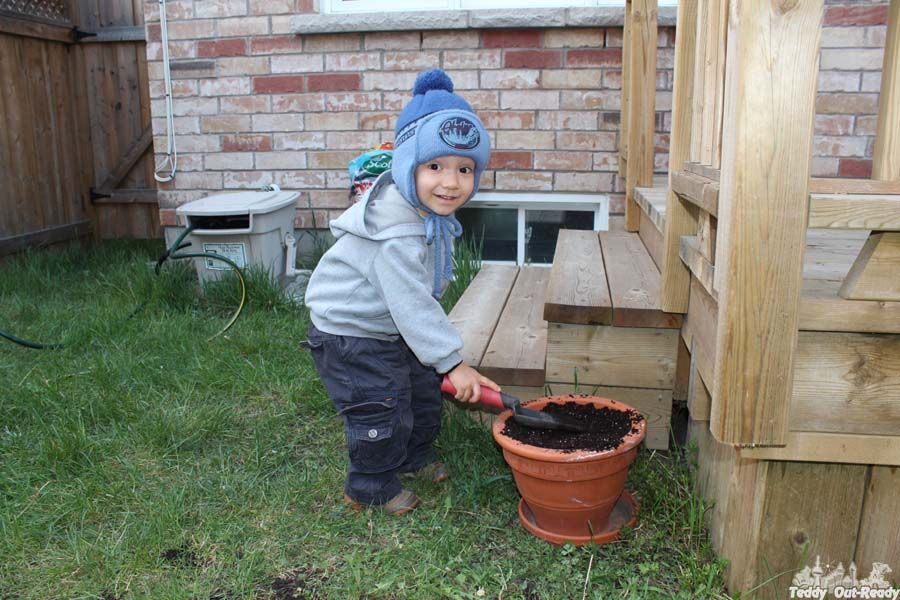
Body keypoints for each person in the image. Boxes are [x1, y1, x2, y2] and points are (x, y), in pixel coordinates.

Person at [303, 69, 501, 516]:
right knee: (381, 405)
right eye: (435, 166)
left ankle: (413, 458)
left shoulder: (427, 211)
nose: (451, 182)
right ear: (406, 165)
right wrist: (454, 361)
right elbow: (412, 303)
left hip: (391, 326)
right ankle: (369, 485)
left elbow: (418, 299)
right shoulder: (395, 233)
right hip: (352, 333)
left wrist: (440, 362)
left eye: (464, 169)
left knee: (423, 391)